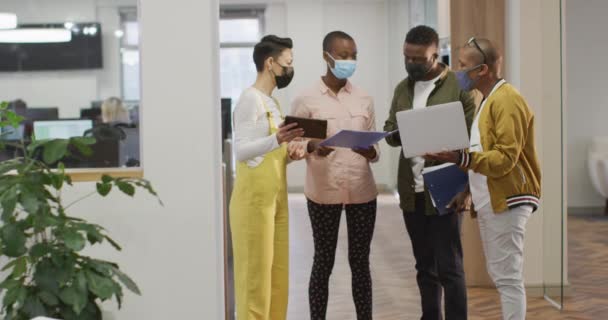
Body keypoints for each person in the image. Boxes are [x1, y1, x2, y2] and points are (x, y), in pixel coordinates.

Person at [426, 37, 541, 320]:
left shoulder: (507, 99)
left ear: (483, 70)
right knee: (502, 274)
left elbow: (504, 158)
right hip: (492, 198)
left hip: (509, 199)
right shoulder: (487, 100)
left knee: (508, 277)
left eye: (463, 65)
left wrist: (459, 158)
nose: (456, 70)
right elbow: (484, 154)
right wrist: (466, 190)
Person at [383, 25, 475, 320]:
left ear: (436, 54)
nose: (411, 64)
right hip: (412, 190)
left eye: (418, 59)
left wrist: (468, 190)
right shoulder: (402, 88)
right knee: (424, 267)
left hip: (446, 186)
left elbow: (474, 138)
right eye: (407, 57)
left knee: (450, 267)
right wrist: (397, 132)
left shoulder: (458, 86)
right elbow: (389, 130)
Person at [288, 31, 379, 320]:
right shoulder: (306, 99)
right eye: (343, 55)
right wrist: (312, 145)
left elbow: (375, 150)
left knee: (360, 262)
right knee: (323, 261)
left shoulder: (364, 98)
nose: (349, 61)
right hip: (323, 191)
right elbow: (292, 145)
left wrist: (370, 152)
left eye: (353, 55)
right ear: (326, 56)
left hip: (362, 190)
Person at [229, 35, 304, 320]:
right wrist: (277, 140)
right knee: (254, 281)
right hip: (253, 204)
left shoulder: (272, 102)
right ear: (270, 63)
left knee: (276, 278)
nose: (290, 68)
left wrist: (294, 152)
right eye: (288, 62)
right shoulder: (250, 99)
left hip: (276, 200)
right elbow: (241, 151)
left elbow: (271, 152)